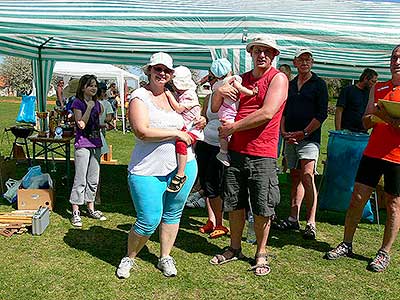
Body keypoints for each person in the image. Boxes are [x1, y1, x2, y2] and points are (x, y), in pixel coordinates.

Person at [116, 52, 204, 279]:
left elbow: (188, 117)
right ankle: (130, 256)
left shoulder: (171, 95)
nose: (162, 73)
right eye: (158, 69)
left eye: (166, 70)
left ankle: (165, 256)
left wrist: (199, 120)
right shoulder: (139, 96)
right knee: (149, 219)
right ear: (149, 71)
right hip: (146, 170)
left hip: (184, 165)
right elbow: (142, 131)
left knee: (173, 213)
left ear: (171, 75)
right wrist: (175, 133)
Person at [209, 35, 288, 276]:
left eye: (266, 51)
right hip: (235, 152)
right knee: (234, 202)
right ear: (251, 54)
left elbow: (267, 113)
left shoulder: (278, 78)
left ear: (274, 55)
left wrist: (233, 128)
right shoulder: (240, 79)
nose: (261, 55)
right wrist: (218, 91)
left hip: (262, 153)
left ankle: (261, 252)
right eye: (257, 51)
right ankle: (234, 248)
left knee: (263, 205)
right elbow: (213, 108)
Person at [325, 45, 400, 272]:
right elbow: (365, 122)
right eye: (394, 57)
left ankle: (384, 252)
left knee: (393, 205)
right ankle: (346, 243)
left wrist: (384, 115)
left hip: (397, 157)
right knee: (357, 197)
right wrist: (379, 116)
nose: (397, 61)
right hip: (373, 152)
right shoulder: (379, 87)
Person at [278, 47, 328, 240]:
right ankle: (293, 217)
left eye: (308, 59)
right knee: (295, 176)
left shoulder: (319, 84)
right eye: (301, 59)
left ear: (312, 63)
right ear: (295, 62)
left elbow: (322, 114)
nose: (305, 62)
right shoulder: (290, 85)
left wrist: (305, 132)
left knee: (308, 176)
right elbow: (283, 110)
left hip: (309, 138)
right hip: (290, 136)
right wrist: (283, 131)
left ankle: (311, 222)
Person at [190, 60, 234, 239]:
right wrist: (202, 121)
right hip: (205, 143)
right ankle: (212, 221)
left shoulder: (232, 90)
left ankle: (220, 223)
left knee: (216, 185)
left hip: (220, 145)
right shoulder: (210, 96)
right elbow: (205, 116)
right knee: (207, 184)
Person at [69, 74, 107, 227]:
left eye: (95, 85)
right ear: (83, 87)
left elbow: (94, 123)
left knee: (93, 178)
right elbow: (81, 125)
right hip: (83, 145)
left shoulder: (98, 104)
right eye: (90, 85)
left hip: (96, 144)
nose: (93, 88)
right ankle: (76, 211)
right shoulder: (78, 103)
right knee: (80, 179)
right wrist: (89, 107)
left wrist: (102, 125)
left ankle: (91, 208)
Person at [210, 58, 258, 167]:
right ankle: (223, 152)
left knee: (225, 130)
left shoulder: (217, 85)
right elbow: (241, 89)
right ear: (229, 71)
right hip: (229, 110)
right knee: (227, 131)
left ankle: (224, 150)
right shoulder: (232, 80)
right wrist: (251, 92)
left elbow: (214, 108)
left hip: (224, 110)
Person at [166, 65, 203, 193]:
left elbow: (179, 108)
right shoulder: (181, 94)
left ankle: (181, 174)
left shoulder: (189, 95)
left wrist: (169, 95)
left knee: (182, 144)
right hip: (185, 127)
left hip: (192, 129)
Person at [335, 68, 378, 132]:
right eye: (372, 81)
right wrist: (338, 130)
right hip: (346, 131)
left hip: (362, 133)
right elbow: (339, 110)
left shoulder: (370, 94)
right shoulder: (348, 90)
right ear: (365, 78)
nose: (374, 84)